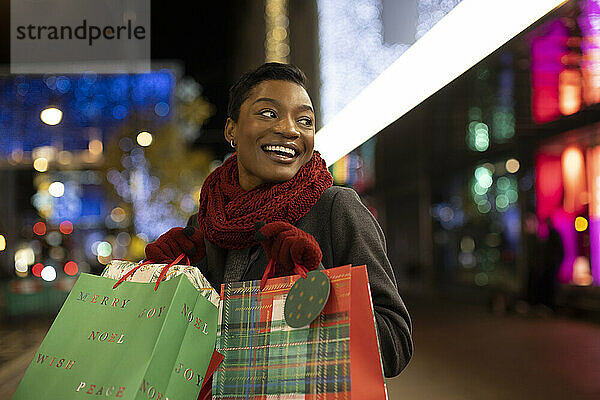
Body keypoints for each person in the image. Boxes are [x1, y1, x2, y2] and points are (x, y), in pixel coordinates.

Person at [145, 62, 413, 377]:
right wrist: (164, 288)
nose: (290, 129)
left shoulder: (336, 210)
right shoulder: (206, 223)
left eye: (305, 120)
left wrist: (317, 287)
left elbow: (395, 345)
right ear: (231, 129)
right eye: (269, 113)